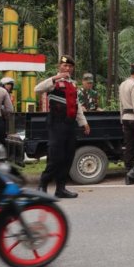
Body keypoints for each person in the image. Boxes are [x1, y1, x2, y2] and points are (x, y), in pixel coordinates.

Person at [34, 55, 91, 198]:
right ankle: (43, 185)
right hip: (56, 123)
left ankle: (61, 188)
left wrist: (83, 122)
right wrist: (55, 78)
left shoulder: (72, 84)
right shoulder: (53, 82)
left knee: (68, 156)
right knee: (56, 156)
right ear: (59, 66)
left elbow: (76, 106)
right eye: (64, 66)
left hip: (70, 124)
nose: (67, 68)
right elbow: (37, 89)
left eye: (70, 66)